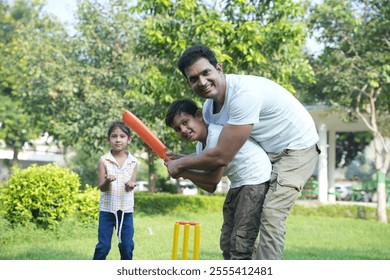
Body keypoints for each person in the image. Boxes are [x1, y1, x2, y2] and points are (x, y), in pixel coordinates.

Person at [165, 45, 320, 260]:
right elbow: (214, 152)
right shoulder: (209, 109)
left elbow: (222, 156)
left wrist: (181, 166)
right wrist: (182, 160)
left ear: (219, 68)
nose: (201, 82)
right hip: (265, 152)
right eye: (193, 78)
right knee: (241, 234)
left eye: (206, 72)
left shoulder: (244, 95)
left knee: (272, 215)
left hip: (296, 148)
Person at [165, 98, 271, 260]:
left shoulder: (215, 135)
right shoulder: (202, 144)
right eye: (178, 129)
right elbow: (202, 164)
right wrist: (181, 161)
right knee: (227, 242)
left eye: (186, 122)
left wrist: (182, 171)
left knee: (240, 241)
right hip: (239, 183)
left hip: (254, 179)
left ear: (199, 116)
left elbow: (213, 181)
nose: (184, 130)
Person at [93, 120, 139, 260]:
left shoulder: (134, 162)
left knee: (127, 246)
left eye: (122, 136)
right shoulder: (103, 161)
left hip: (126, 211)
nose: (118, 140)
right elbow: (102, 187)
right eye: (114, 136)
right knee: (104, 246)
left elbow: (130, 184)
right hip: (107, 211)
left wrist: (130, 185)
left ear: (129, 139)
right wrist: (108, 181)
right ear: (109, 139)